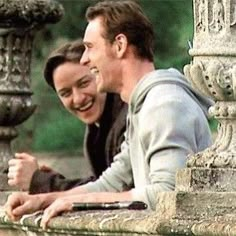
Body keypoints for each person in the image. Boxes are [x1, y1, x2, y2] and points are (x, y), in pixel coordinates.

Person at [5, 0, 213, 229]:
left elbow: (168, 195)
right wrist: (40, 200)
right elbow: (112, 183)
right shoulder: (144, 106)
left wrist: (78, 203)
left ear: (120, 45)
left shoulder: (164, 103)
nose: (84, 59)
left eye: (90, 47)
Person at [7, 39, 127, 193]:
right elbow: (100, 183)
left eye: (83, 84)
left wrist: (41, 182)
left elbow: (117, 189)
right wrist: (54, 181)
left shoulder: (127, 119)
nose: (78, 99)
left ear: (100, 74)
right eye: (66, 93)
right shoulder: (97, 129)